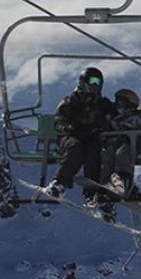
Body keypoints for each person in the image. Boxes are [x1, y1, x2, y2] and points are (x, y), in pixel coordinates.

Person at [47, 66, 112, 200]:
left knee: (94, 151)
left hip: (92, 138)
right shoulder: (70, 102)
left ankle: (92, 192)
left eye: (98, 82)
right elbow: (59, 122)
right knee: (75, 148)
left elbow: (118, 114)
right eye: (92, 81)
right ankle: (60, 183)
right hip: (70, 137)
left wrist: (139, 111)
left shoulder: (102, 104)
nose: (95, 85)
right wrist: (71, 128)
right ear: (83, 82)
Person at [92, 87, 141, 219]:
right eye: (117, 102)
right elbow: (103, 125)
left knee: (121, 154)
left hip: (130, 143)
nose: (119, 105)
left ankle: (123, 181)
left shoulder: (136, 116)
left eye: (122, 102)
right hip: (113, 142)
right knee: (107, 156)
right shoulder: (112, 115)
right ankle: (107, 187)